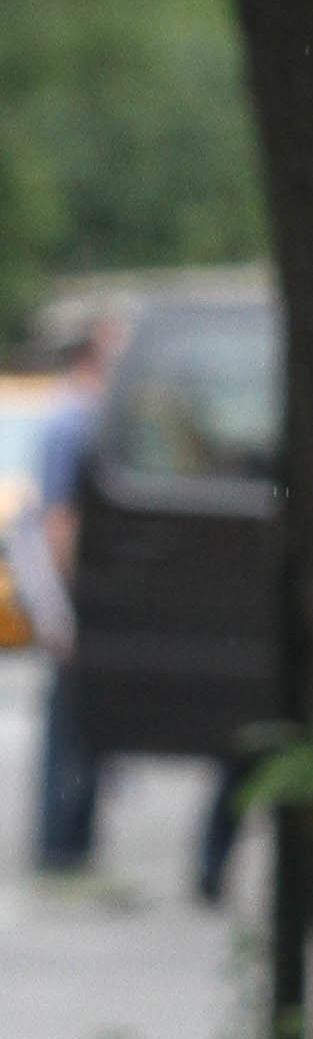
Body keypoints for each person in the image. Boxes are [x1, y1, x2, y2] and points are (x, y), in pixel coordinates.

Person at [30, 321, 111, 875]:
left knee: (80, 715)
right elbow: (60, 518)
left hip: (78, 590)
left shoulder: (84, 418)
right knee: (71, 717)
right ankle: (61, 843)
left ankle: (71, 840)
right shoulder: (73, 421)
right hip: (73, 593)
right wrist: (69, 600)